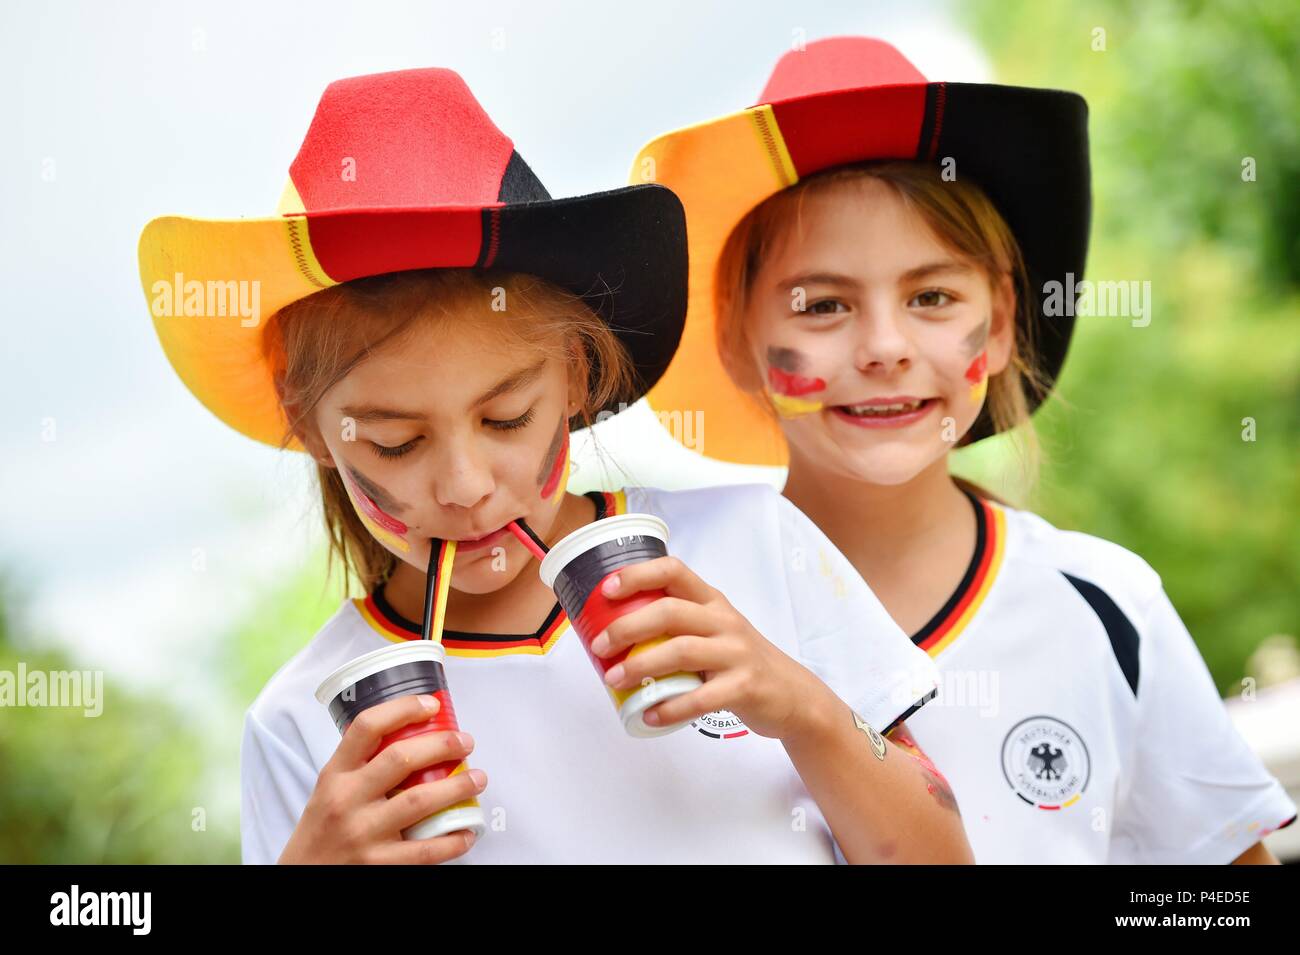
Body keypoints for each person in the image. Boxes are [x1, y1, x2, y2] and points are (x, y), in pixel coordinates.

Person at [138, 66, 970, 864]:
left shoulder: (751, 541)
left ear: (576, 373)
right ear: (306, 422)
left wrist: (800, 707)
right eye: (395, 442)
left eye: (506, 417)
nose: (466, 486)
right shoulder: (301, 723)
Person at [630, 36, 1297, 863]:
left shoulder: (1109, 608)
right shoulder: (658, 611)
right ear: (735, 337)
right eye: (823, 305)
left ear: (1004, 317)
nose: (885, 347)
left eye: (933, 295)